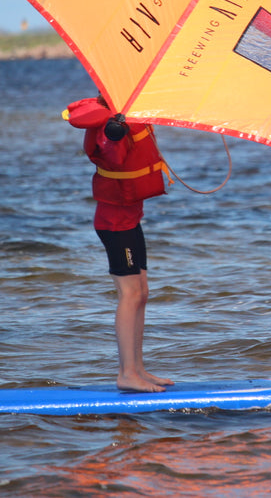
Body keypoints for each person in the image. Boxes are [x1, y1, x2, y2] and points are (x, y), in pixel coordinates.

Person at [64, 96, 174, 393]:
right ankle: (126, 373)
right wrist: (116, 131)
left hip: (129, 220)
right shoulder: (109, 126)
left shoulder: (128, 114)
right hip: (114, 224)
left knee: (142, 292)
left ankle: (138, 369)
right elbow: (111, 155)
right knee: (130, 294)